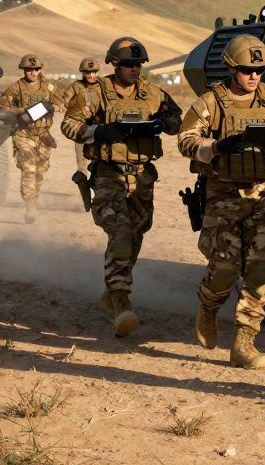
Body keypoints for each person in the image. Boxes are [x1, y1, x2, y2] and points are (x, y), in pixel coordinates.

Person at [177, 35, 265, 369]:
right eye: (248, 69)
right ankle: (208, 307)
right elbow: (186, 140)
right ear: (233, 68)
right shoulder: (211, 102)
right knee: (223, 268)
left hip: (261, 194)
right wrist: (217, 148)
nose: (254, 76)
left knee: (262, 266)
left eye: (260, 70)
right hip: (222, 196)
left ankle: (245, 341)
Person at [61, 36, 181, 337]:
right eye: (128, 64)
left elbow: (177, 120)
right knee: (121, 232)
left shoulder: (153, 93)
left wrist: (163, 123)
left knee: (137, 233)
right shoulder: (96, 93)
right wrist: (100, 130)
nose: (134, 69)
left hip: (142, 176)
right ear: (114, 64)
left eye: (138, 65)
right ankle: (119, 303)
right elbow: (69, 125)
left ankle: (111, 292)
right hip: (107, 174)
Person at [0, 54, 65, 223]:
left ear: (40, 70)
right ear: (23, 70)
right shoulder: (15, 87)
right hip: (23, 134)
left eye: (36, 69)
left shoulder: (49, 87)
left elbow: (62, 104)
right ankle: (30, 206)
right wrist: (20, 111)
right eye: (29, 69)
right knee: (28, 169)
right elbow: (0, 108)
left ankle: (34, 198)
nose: (33, 72)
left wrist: (51, 107)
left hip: (43, 135)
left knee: (39, 172)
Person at [58, 58, 104, 181]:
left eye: (93, 72)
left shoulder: (102, 87)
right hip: (80, 127)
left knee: (99, 159)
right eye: (88, 72)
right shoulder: (76, 87)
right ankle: (83, 182)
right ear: (83, 73)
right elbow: (64, 102)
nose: (91, 75)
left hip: (98, 128)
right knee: (81, 161)